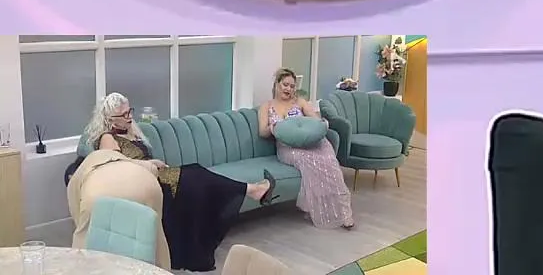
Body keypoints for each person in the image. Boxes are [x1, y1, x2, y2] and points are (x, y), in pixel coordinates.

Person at [84, 92, 277, 272]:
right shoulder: (108, 138)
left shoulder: (130, 130)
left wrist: (154, 163)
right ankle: (253, 190)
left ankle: (251, 191)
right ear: (110, 119)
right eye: (124, 114)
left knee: (197, 172)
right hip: (149, 183)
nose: (129, 117)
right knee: (199, 180)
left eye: (130, 111)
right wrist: (150, 164)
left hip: (161, 175)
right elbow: (117, 164)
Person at [258, 68, 355, 229]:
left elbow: (315, 121)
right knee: (309, 160)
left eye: (292, 86)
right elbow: (262, 132)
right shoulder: (267, 106)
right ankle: (319, 209)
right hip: (288, 147)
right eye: (285, 85)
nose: (288, 89)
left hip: (312, 142)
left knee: (329, 160)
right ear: (277, 84)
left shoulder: (300, 102)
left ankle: (344, 212)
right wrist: (273, 127)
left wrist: (322, 123)